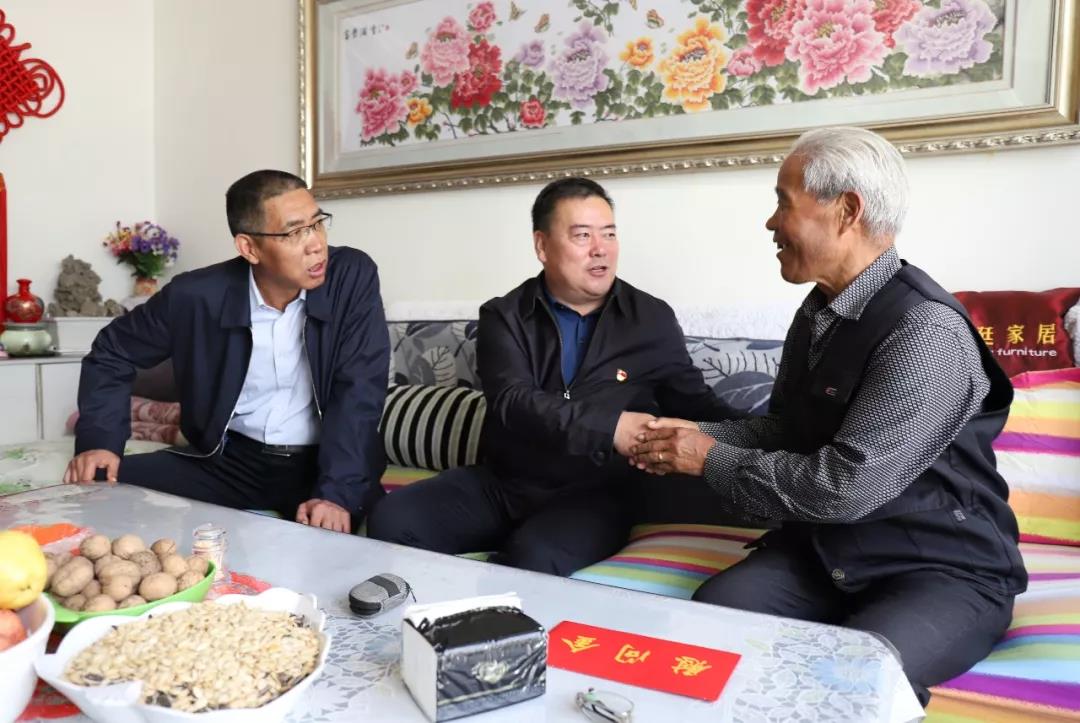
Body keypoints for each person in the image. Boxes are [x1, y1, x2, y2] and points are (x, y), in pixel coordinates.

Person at [629, 127, 1027, 704]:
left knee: (854, 678)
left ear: (846, 211)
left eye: (783, 202)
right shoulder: (820, 310)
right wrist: (687, 436)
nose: (770, 222)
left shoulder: (925, 331)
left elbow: (845, 488)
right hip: (828, 553)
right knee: (712, 629)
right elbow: (786, 430)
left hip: (938, 568)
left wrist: (707, 457)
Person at [368, 177, 738, 574]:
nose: (601, 248)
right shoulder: (504, 315)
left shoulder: (649, 318)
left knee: (534, 560)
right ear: (542, 246)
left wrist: (769, 434)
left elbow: (695, 402)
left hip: (594, 495)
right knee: (392, 519)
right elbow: (512, 401)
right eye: (582, 235)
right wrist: (613, 427)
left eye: (609, 234)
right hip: (506, 482)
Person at [63, 170, 390, 532]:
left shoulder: (351, 276)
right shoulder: (196, 296)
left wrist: (337, 494)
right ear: (249, 248)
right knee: (99, 486)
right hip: (230, 463)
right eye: (294, 232)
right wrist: (99, 442)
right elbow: (112, 350)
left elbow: (359, 388)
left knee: (373, 531)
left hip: (324, 466)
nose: (316, 245)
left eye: (317, 224)